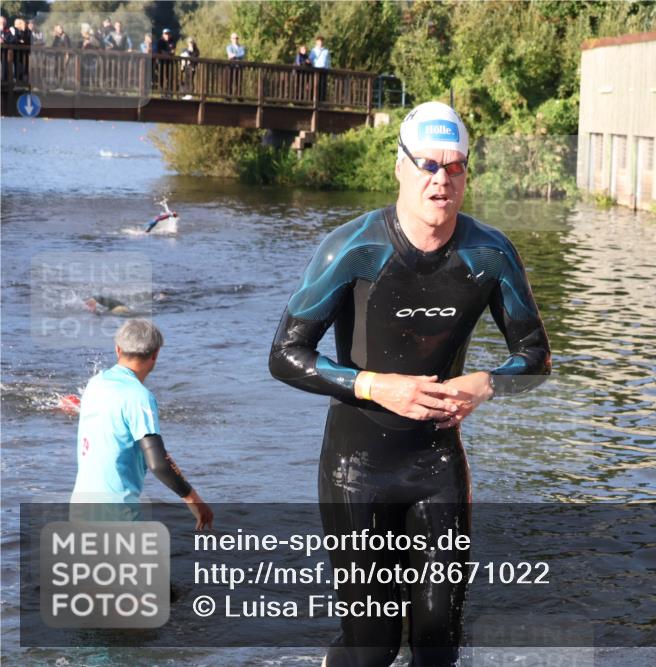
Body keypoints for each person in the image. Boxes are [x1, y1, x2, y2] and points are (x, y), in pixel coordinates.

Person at [269, 102, 551, 666]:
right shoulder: (354, 247)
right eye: (427, 164)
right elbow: (284, 355)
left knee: (438, 647)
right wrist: (374, 385)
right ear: (399, 166)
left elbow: (536, 358)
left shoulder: (490, 254)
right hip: (356, 471)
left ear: (468, 174)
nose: (440, 179)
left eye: (454, 167)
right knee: (373, 649)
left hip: (437, 469)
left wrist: (485, 386)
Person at [71, 319, 213, 530]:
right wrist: (194, 500)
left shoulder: (95, 384)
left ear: (117, 349)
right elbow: (158, 462)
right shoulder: (139, 397)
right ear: (155, 354)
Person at [225, 32, 245, 100]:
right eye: (234, 38)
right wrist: (236, 56)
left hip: (239, 67)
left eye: (236, 38)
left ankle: (238, 96)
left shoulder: (241, 47)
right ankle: (229, 96)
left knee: (239, 82)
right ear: (231, 39)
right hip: (231, 66)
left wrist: (234, 55)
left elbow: (242, 54)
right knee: (230, 81)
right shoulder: (229, 47)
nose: (235, 40)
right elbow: (229, 55)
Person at [309, 35, 329, 102]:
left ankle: (322, 101)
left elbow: (328, 61)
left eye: (321, 41)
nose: (320, 43)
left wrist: (328, 68)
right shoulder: (313, 50)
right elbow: (310, 60)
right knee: (315, 85)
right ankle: (314, 100)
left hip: (324, 70)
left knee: (323, 86)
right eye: (319, 41)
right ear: (316, 42)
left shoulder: (326, 51)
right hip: (316, 69)